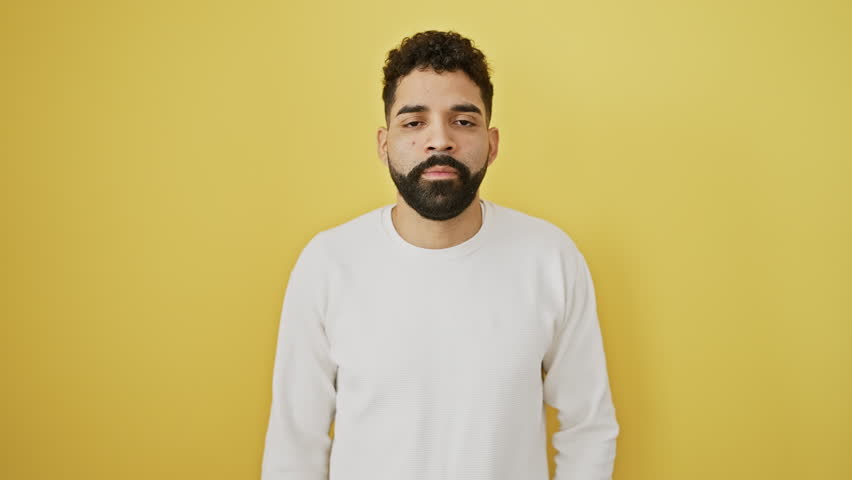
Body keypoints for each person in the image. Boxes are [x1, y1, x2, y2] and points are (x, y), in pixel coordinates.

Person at [261, 30, 619, 480]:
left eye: (463, 121)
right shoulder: (328, 263)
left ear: (492, 143)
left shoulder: (550, 258)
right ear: (383, 143)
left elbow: (589, 426)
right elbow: (296, 443)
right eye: (414, 122)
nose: (439, 141)